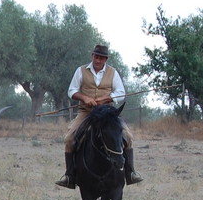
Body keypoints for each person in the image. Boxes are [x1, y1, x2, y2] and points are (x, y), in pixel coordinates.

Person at [55, 44, 143, 188]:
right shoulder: (81, 70)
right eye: (96, 57)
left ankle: (130, 173)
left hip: (107, 113)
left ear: (105, 59)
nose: (98, 60)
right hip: (86, 112)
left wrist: (107, 99)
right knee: (69, 138)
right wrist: (84, 98)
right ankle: (69, 176)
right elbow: (72, 91)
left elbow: (120, 92)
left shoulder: (112, 72)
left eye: (101, 58)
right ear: (92, 56)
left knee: (127, 136)